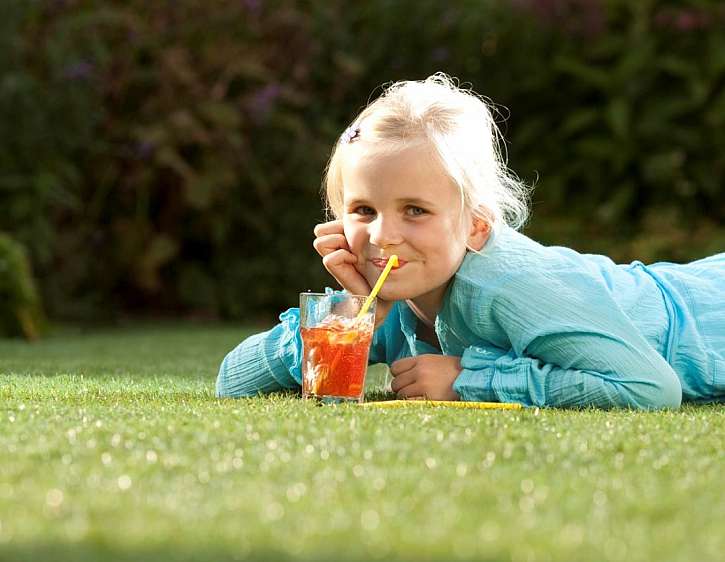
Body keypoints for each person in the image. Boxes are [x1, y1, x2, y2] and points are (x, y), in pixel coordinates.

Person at [217, 73, 724, 409]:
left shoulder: (509, 285)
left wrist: (467, 381)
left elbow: (650, 387)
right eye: (363, 211)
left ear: (477, 224)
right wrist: (354, 313)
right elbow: (233, 381)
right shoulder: (391, 299)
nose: (383, 236)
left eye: (415, 210)